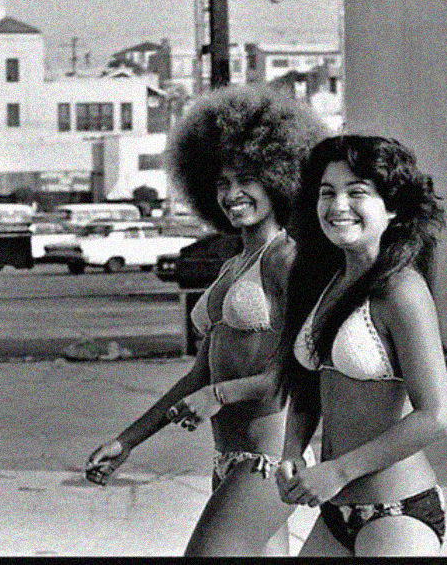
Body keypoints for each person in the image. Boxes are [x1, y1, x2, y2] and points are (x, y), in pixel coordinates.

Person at [85, 85, 330, 556]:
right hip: (229, 460)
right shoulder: (233, 265)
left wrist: (218, 395)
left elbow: (298, 372)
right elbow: (199, 375)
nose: (232, 194)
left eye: (246, 180)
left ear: (280, 178)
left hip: (268, 461)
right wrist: (128, 440)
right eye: (221, 183)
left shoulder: (285, 259)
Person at [274, 134, 447, 557]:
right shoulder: (323, 281)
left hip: (397, 513)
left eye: (357, 193)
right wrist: (293, 449)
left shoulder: (402, 290)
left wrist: (337, 471)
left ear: (392, 208)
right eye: (327, 193)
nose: (338, 206)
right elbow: (309, 383)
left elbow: (437, 416)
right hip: (336, 512)